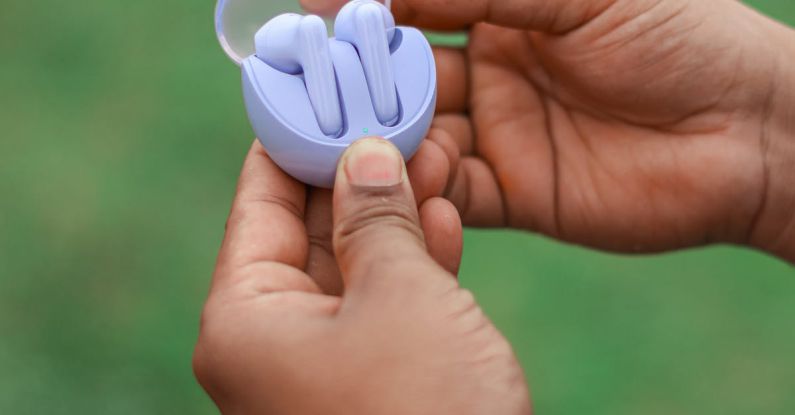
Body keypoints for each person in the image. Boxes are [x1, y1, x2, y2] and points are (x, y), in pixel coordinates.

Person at [193, 0, 794, 413]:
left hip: (373, 85)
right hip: (367, 87)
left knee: (357, 23)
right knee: (353, 24)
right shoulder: (339, 54)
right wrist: (766, 124)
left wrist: (770, 120)